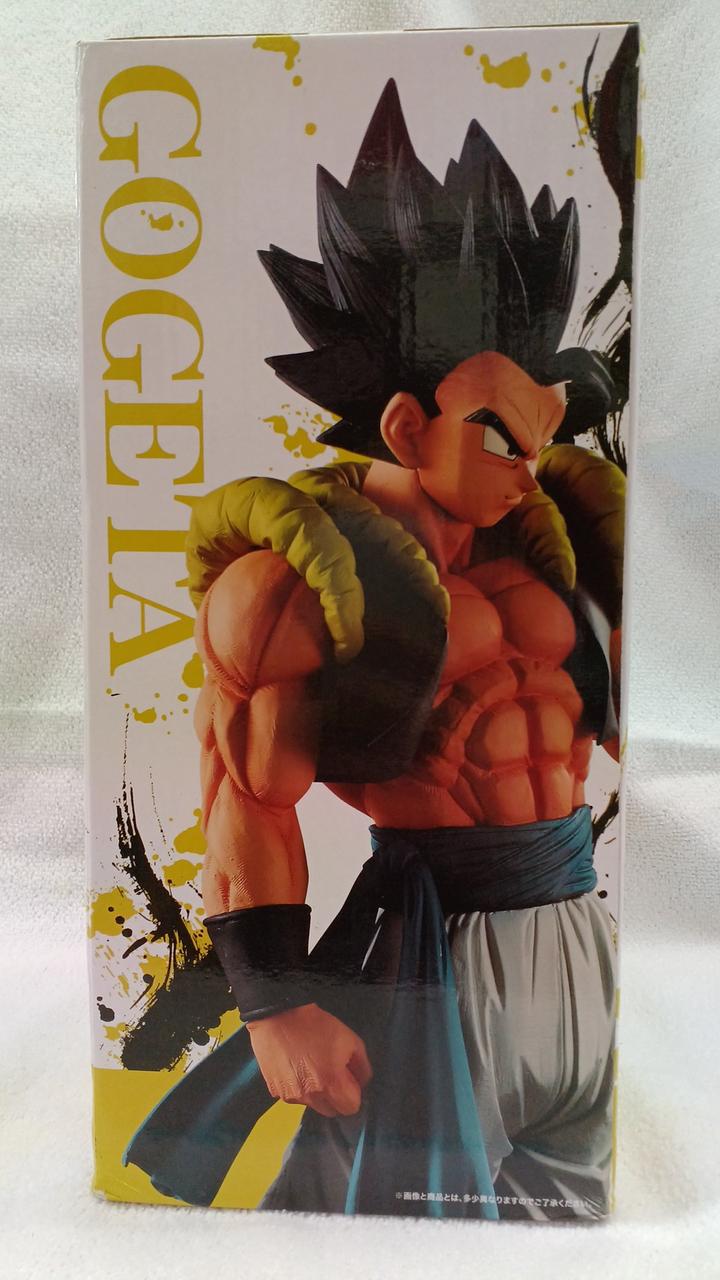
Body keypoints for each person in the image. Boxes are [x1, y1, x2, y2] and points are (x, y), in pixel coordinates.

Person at [125, 78, 626, 1222]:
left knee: (575, 1231)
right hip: (433, 962)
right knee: (397, 1232)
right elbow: (245, 793)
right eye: (500, 433)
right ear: (406, 425)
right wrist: (274, 1002)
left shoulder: (556, 541)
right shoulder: (290, 588)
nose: (531, 461)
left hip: (582, 936)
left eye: (545, 426)